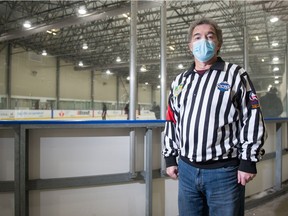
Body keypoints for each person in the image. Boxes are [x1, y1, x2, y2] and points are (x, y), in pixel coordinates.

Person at [162, 18, 267, 216]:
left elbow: (252, 116)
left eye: (210, 37)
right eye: (198, 37)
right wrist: (170, 157)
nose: (204, 41)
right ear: (190, 46)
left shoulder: (236, 75)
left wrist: (248, 161)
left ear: (218, 44)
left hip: (224, 172)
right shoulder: (180, 81)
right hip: (186, 170)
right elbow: (172, 120)